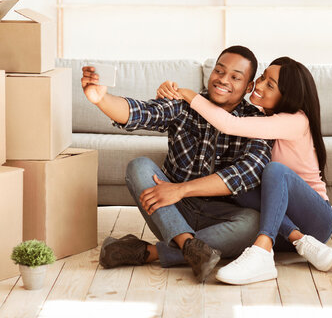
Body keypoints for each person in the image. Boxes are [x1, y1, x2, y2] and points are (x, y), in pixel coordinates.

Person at [81, 46, 273, 282]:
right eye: (219, 71)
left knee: (254, 223)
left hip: (219, 214)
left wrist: (180, 189)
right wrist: (101, 99)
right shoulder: (184, 104)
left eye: (235, 77)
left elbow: (246, 173)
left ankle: (148, 252)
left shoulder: (257, 121)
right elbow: (142, 112)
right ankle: (188, 245)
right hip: (169, 209)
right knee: (139, 166)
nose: (223, 80)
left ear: (249, 86)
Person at [155, 56, 332, 285]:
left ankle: (262, 253)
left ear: (287, 96)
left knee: (274, 171)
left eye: (269, 84)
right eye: (262, 77)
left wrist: (187, 94)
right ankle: (297, 240)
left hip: (315, 220)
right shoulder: (261, 117)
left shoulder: (296, 120)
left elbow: (229, 124)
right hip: (279, 228)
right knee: (240, 184)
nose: (259, 85)